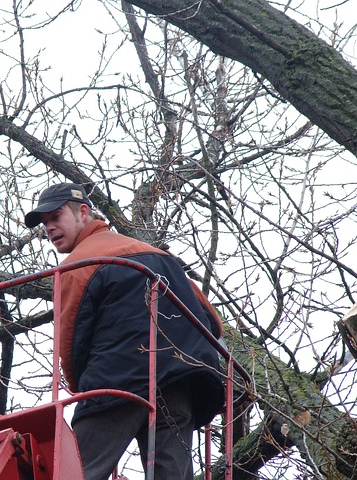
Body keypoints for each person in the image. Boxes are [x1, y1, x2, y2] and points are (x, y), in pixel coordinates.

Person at [24, 183, 224, 480]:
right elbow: (212, 320)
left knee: (77, 472)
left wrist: (84, 391)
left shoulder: (79, 263)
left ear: (82, 212)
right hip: (179, 385)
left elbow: (70, 342)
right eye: (45, 223)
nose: (49, 228)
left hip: (116, 382)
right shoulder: (159, 256)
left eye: (56, 217)